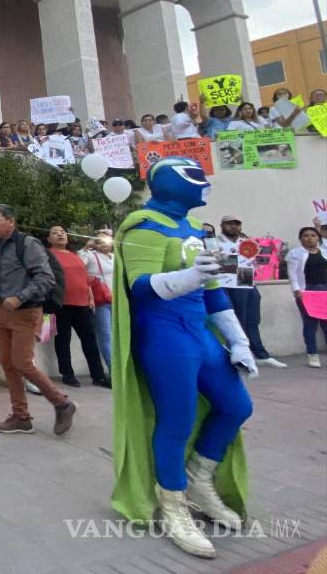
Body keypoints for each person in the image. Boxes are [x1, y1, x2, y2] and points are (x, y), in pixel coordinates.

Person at [111, 157, 255, 559]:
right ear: (174, 182)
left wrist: (238, 340)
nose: (205, 183)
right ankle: (173, 504)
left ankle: (198, 478)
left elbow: (212, 290)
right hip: (164, 334)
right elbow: (139, 287)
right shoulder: (144, 224)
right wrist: (191, 276)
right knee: (177, 419)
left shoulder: (192, 228)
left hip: (200, 332)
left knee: (236, 405)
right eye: (196, 177)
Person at [0, 204, 77, 435]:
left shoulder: (28, 244)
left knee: (22, 363)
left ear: (10, 220)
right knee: (9, 365)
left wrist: (19, 297)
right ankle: (21, 417)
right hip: (2, 310)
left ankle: (62, 403)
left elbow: (46, 277)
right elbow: (0, 275)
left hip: (25, 311)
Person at [217, 215, 285, 369]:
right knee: (238, 320)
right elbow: (220, 265)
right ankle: (236, 355)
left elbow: (257, 263)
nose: (233, 227)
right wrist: (238, 259)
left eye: (236, 224)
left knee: (253, 320)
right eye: (229, 224)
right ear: (222, 225)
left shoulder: (246, 243)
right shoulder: (215, 242)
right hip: (228, 284)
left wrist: (253, 261)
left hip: (246, 280)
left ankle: (260, 354)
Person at [46, 226, 110, 388]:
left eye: (62, 232)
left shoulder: (75, 255)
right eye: (55, 232)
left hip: (82, 304)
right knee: (63, 340)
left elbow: (84, 278)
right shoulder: (48, 255)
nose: (60, 234)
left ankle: (98, 376)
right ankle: (67, 374)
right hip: (62, 304)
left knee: (90, 341)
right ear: (49, 239)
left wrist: (90, 298)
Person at [287, 226, 327, 368]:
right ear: (300, 238)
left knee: (325, 324)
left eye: (313, 235)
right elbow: (292, 274)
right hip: (307, 291)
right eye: (305, 235)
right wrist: (297, 290)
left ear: (318, 238)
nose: (309, 238)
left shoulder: (324, 252)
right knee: (310, 324)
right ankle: (312, 354)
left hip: (324, 290)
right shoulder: (295, 253)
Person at [79, 230, 115, 374]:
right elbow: (78, 265)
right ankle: (114, 371)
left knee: (118, 336)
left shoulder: (114, 257)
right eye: (99, 241)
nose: (104, 243)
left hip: (117, 300)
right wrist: (86, 247)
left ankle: (122, 370)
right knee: (106, 336)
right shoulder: (90, 256)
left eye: (106, 240)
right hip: (101, 301)